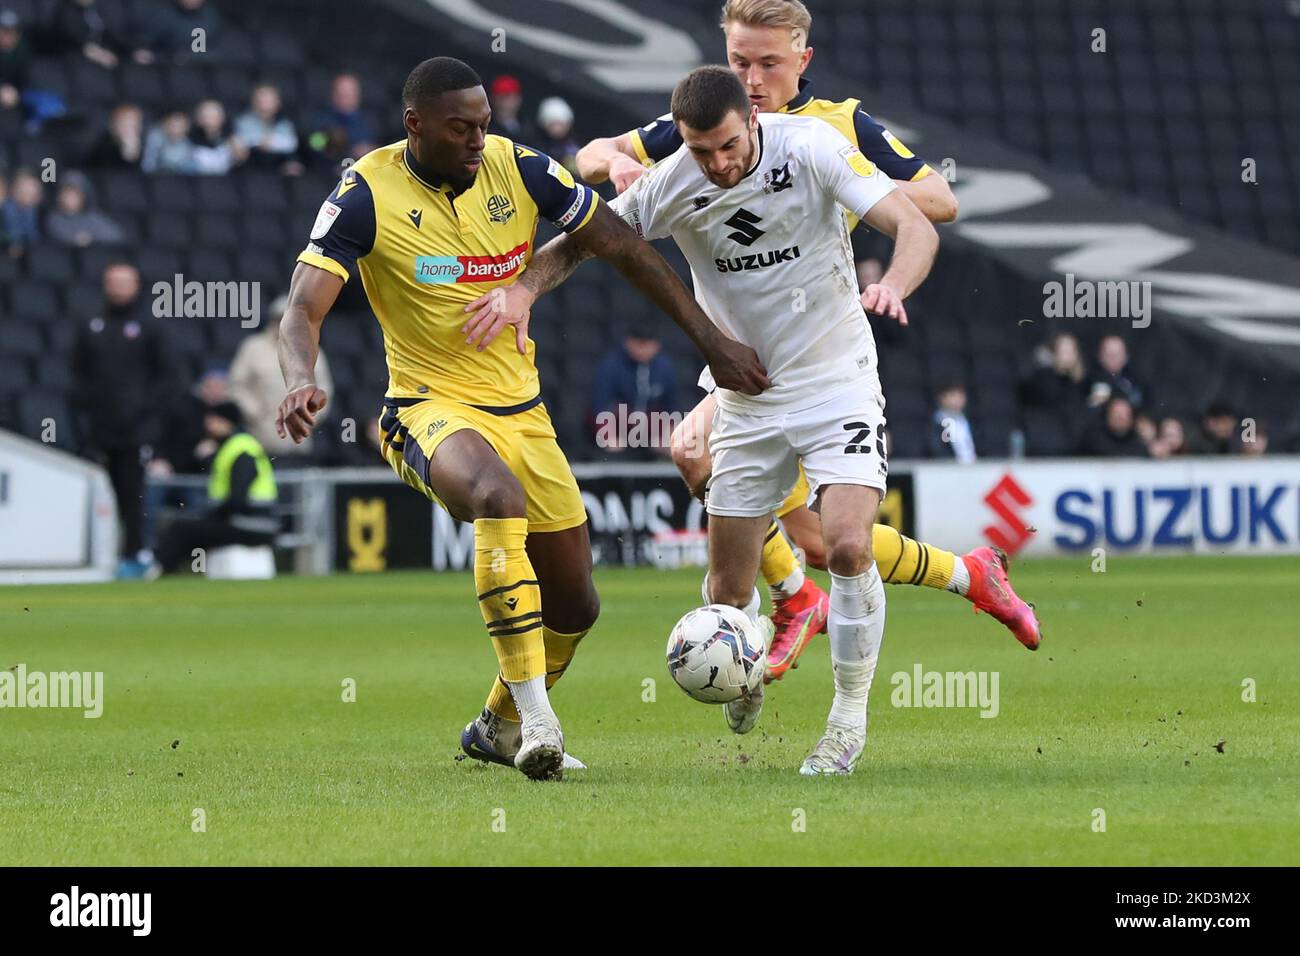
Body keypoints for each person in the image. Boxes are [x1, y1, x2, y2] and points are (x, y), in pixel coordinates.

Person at [276, 57, 766, 781]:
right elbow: (302, 308)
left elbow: (622, 246)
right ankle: (538, 722)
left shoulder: (521, 168)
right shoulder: (364, 193)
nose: (479, 139)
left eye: (484, 124)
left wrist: (713, 342)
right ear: (415, 124)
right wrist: (299, 379)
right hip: (426, 407)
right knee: (495, 498)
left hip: (523, 412)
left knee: (576, 604)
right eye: (460, 128)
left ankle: (497, 727)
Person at [474, 65, 946, 774]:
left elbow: (914, 222)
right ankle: (742, 664)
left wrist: (891, 284)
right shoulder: (673, 182)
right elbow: (585, 240)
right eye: (702, 152)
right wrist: (523, 291)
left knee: (846, 546)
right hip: (747, 399)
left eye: (728, 146)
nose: (719, 164)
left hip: (836, 383)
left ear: (752, 123)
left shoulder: (810, 145)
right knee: (729, 591)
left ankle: (845, 726)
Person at [571, 0, 1037, 671]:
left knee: (813, 532)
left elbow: (939, 198)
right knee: (708, 465)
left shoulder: (836, 126)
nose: (752, 77)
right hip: (750, 345)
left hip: (817, 339)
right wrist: (614, 164)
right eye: (739, 62)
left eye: (768, 62)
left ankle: (858, 590)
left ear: (803, 60)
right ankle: (820, 591)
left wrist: (845, 186)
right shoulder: (714, 127)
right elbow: (595, 155)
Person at [71, 262, 175, 576]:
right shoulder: (91, 325)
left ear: (136, 285)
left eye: (124, 282)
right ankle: (102, 556)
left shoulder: (150, 328)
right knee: (103, 497)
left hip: (136, 431)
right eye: (113, 281)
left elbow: (167, 378)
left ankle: (136, 556)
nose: (118, 288)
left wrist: (145, 413)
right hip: (100, 431)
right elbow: (78, 376)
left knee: (135, 495)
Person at [150, 402, 279, 575]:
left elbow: (237, 498)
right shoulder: (234, 448)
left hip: (251, 524)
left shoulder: (241, 450)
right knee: (193, 530)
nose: (207, 425)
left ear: (226, 422)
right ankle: (194, 570)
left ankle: (162, 570)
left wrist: (213, 514)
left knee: (181, 530)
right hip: (249, 522)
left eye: (212, 420)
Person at [229, 293, 333, 462]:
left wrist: (312, 416)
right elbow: (237, 385)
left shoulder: (312, 349)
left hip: (300, 439)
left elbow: (324, 389)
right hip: (262, 437)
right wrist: (254, 412)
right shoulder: (253, 348)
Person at [589, 329, 677, 457]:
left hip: (651, 427)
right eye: (639, 344)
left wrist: (668, 435)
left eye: (647, 344)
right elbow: (600, 404)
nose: (643, 350)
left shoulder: (665, 368)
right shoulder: (611, 365)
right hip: (620, 425)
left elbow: (672, 406)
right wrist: (608, 435)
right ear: (628, 343)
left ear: (656, 345)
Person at [306, 73, 375, 165]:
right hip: (334, 171)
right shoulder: (320, 121)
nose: (346, 96)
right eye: (342, 93)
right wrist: (349, 152)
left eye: (350, 92)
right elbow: (315, 146)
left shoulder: (369, 120)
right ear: (333, 95)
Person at [44, 170, 126, 246]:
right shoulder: (53, 219)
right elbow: (61, 238)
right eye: (66, 193)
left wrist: (91, 239)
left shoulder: (95, 217)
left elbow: (116, 236)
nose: (69, 198)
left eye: (75, 194)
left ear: (84, 195)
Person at [233, 85, 300, 172]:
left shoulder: (284, 124)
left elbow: (291, 144)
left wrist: (272, 143)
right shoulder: (243, 122)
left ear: (278, 103)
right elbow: (241, 143)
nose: (264, 105)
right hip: (252, 163)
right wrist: (262, 143)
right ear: (254, 102)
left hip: (277, 164)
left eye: (269, 101)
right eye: (262, 100)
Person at [1087, 334, 1150, 411]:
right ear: (1100, 356)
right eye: (1108, 354)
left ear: (1126, 356)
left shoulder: (1137, 379)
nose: (1113, 358)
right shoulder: (1088, 380)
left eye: (1117, 354)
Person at [1077, 396, 1148, 457]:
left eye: (1124, 415)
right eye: (1116, 414)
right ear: (1108, 416)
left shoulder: (1139, 441)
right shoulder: (1093, 441)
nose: (1120, 418)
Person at [189, 99, 246, 174]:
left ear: (222, 118)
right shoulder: (190, 140)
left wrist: (239, 154)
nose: (209, 120)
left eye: (213, 116)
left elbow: (240, 162)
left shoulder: (232, 138)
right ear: (198, 119)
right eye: (205, 116)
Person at [84, 103, 145, 168]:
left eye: (133, 125)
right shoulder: (102, 146)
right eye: (125, 125)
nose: (129, 129)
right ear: (114, 126)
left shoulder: (145, 144)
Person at [928, 380, 976, 462]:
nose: (957, 400)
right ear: (942, 398)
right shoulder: (938, 422)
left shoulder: (968, 421)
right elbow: (939, 451)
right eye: (953, 395)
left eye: (960, 395)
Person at [142, 109, 198, 173]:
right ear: (166, 126)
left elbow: (191, 168)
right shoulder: (156, 140)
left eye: (180, 127)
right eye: (173, 126)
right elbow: (148, 165)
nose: (176, 130)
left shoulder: (188, 145)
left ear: (186, 129)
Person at [1, 166, 41, 256]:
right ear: (14, 189)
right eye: (24, 186)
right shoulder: (5, 208)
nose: (27, 190)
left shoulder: (34, 211)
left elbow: (33, 236)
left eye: (32, 187)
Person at [535, 96, 579, 173]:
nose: (557, 129)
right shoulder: (538, 146)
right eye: (554, 124)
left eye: (561, 124)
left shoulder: (572, 149)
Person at [486, 74, 532, 142]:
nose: (510, 102)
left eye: (514, 97)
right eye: (504, 97)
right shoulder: (487, 128)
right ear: (494, 99)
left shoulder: (528, 127)